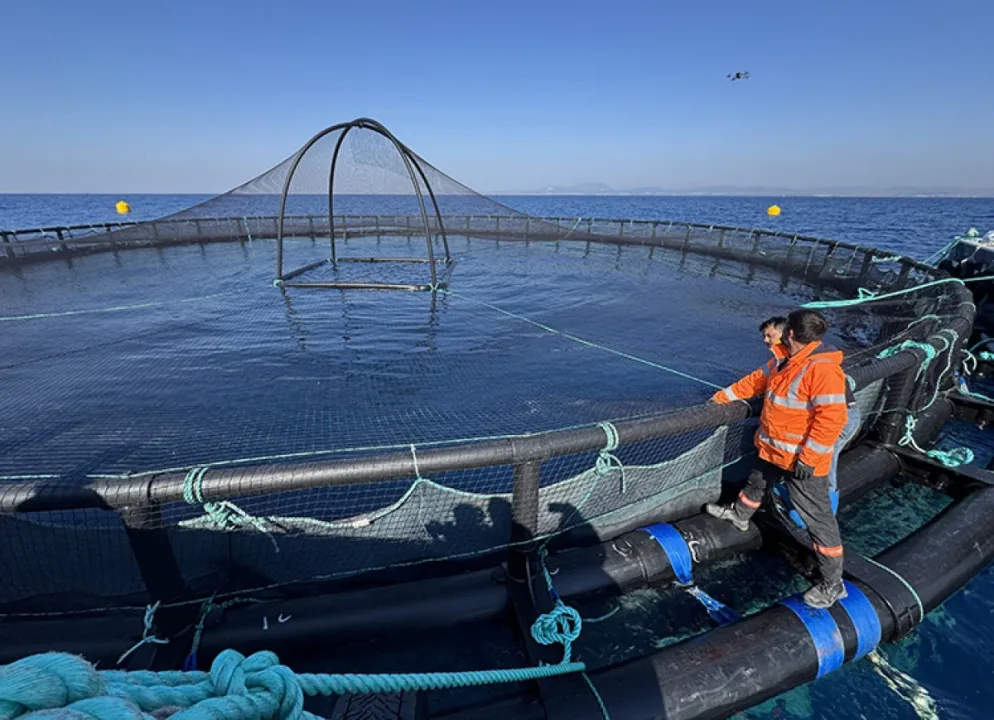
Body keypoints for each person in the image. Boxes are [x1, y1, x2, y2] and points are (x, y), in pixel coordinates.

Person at [706, 309, 850, 608]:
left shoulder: (821, 369)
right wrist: (720, 398)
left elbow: (832, 419)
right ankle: (740, 516)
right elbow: (755, 382)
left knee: (818, 519)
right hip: (773, 449)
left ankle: (833, 584)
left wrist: (809, 459)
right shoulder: (784, 359)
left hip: (801, 460)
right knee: (756, 482)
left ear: (792, 333)